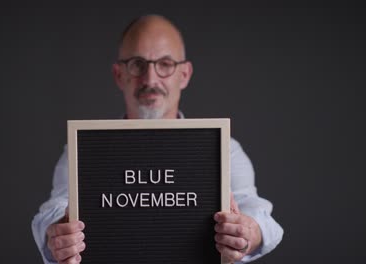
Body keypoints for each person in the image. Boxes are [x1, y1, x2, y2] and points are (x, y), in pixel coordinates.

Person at [32, 14, 283, 264]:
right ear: (119, 75)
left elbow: (257, 212)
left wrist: (249, 233)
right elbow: (54, 211)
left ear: (184, 74)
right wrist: (59, 233)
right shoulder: (83, 151)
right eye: (137, 64)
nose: (150, 79)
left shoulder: (224, 149)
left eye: (165, 64)